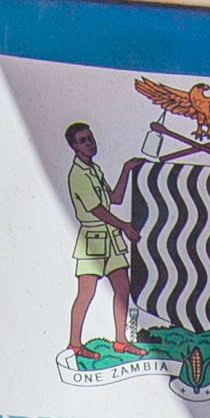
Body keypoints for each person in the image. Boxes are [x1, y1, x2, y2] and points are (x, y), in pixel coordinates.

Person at [65, 119, 135, 356]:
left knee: (123, 289)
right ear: (75, 147)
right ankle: (75, 343)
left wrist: (126, 169)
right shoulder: (78, 174)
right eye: (83, 141)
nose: (90, 143)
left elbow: (115, 199)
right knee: (86, 293)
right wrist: (124, 225)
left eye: (90, 138)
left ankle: (121, 340)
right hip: (93, 238)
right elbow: (98, 210)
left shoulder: (95, 170)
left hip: (110, 237)